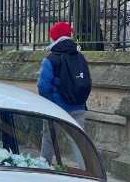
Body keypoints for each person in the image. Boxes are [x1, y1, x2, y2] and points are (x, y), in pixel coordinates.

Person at [38, 21, 92, 160]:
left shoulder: (50, 59)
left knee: (49, 140)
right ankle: (88, 173)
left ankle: (44, 169)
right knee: (78, 143)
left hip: (56, 108)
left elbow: (43, 86)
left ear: (54, 38)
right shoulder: (80, 57)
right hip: (79, 107)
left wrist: (49, 103)